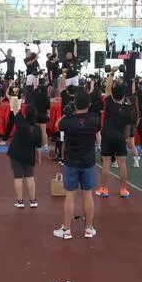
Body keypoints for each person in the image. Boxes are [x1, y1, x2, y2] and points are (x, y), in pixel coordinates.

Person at [52, 90, 100, 240]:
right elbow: (98, 134)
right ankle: (88, 229)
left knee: (70, 195)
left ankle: (66, 230)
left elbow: (57, 125)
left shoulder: (68, 121)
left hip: (71, 162)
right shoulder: (95, 120)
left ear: (74, 104)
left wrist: (66, 114)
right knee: (87, 194)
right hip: (88, 162)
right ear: (89, 104)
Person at [95, 78, 132, 199]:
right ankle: (123, 190)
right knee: (122, 164)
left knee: (106, 163)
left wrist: (111, 74)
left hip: (107, 137)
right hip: (120, 138)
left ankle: (103, 189)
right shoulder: (127, 109)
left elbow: (107, 89)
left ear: (112, 94)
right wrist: (126, 140)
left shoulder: (109, 103)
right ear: (123, 95)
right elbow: (127, 128)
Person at [5, 91, 41, 208]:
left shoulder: (20, 122)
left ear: (25, 113)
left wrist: (15, 95)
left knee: (18, 177)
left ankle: (20, 201)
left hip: (16, 154)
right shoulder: (37, 129)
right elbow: (39, 147)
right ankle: (33, 201)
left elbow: (15, 108)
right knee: (30, 177)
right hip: (29, 155)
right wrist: (39, 158)